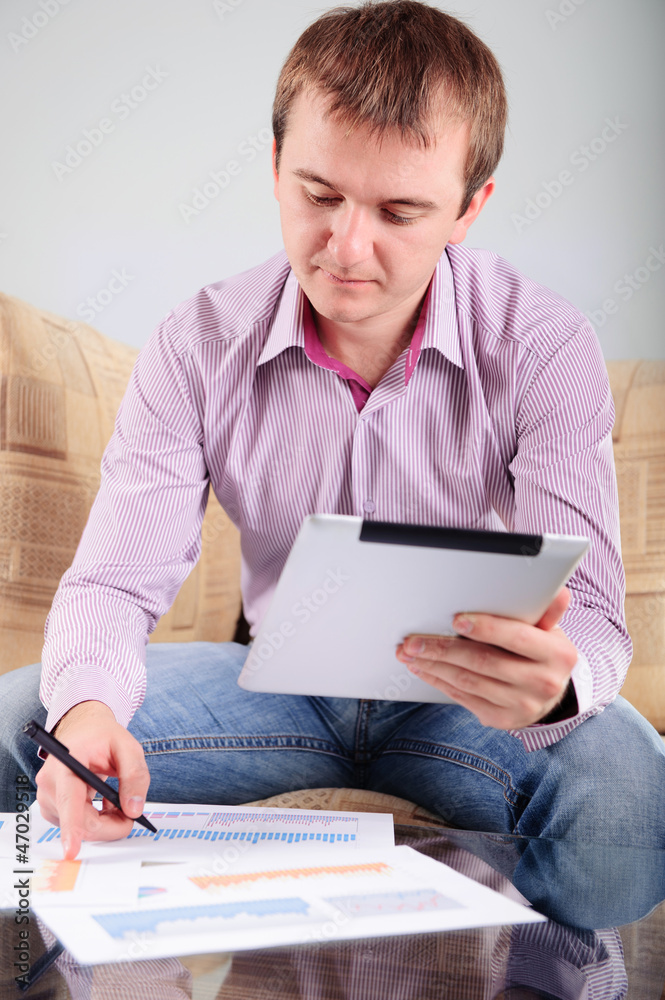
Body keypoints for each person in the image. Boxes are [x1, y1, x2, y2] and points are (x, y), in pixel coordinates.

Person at [1, 0, 664, 928]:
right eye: (318, 194)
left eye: (400, 211)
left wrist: (556, 688)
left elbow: (591, 613)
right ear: (275, 166)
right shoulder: (197, 344)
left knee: (624, 811)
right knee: (22, 723)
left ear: (469, 208)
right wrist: (87, 711)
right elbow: (114, 581)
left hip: (466, 703)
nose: (347, 247)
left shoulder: (544, 345)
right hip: (271, 694)